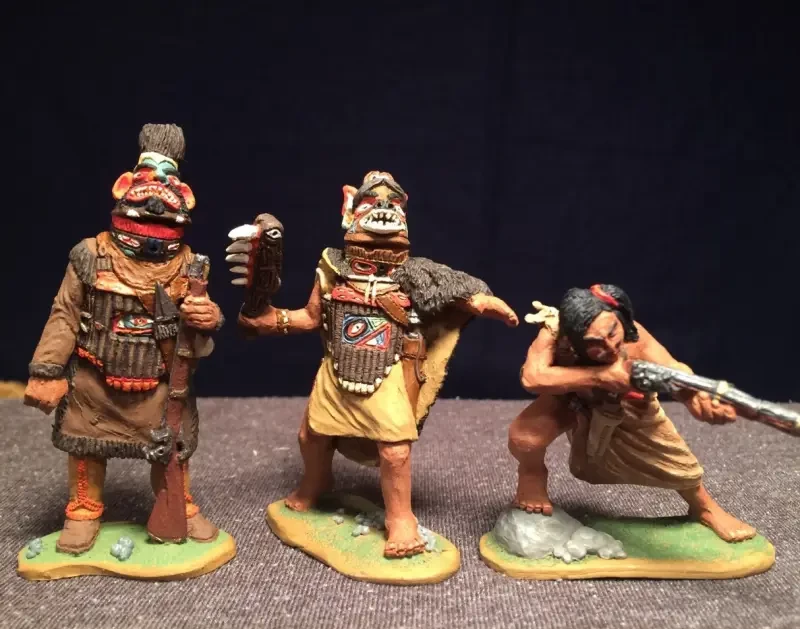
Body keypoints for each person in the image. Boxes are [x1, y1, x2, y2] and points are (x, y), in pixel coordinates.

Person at [236, 171, 518, 557]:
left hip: (387, 372)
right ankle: (315, 484)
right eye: (372, 202)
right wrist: (274, 320)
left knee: (395, 451)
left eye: (393, 203)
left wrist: (481, 302)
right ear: (349, 209)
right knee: (312, 437)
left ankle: (400, 518)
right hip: (337, 371)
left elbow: (455, 289)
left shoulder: (414, 273)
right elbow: (310, 316)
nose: (383, 209)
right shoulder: (332, 267)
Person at [24, 124, 223, 554]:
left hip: (160, 385)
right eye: (148, 174)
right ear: (124, 185)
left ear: (184, 194)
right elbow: (65, 313)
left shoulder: (190, 264)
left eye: (167, 177)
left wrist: (208, 316)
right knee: (85, 447)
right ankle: (83, 510)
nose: (156, 190)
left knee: (171, 450)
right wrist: (46, 370)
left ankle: (179, 505)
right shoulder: (90, 255)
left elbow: (199, 330)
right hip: (94, 381)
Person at [509, 284, 755, 542]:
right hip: (569, 397)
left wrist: (693, 396)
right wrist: (600, 376)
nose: (609, 345)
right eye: (594, 344)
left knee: (674, 458)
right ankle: (531, 475)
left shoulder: (634, 336)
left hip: (626, 405)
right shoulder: (555, 332)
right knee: (524, 438)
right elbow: (532, 377)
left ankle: (704, 507)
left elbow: (671, 367)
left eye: (612, 332)